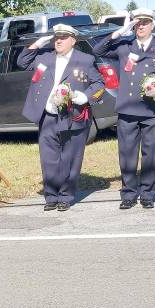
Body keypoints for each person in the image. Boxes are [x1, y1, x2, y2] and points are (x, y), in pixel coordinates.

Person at [17, 24, 105, 211]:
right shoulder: (45, 57)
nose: (59, 40)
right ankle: (51, 196)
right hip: (48, 116)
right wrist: (36, 44)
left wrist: (86, 97)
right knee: (49, 158)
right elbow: (22, 62)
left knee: (70, 157)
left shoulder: (85, 60)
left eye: (64, 37)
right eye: (57, 37)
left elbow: (99, 84)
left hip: (73, 116)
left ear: (73, 40)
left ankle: (65, 196)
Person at [93, 8, 155, 209]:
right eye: (137, 23)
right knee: (127, 153)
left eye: (145, 23)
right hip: (128, 110)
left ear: (152, 25)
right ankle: (128, 193)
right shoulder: (124, 46)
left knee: (151, 154)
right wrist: (120, 31)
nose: (141, 26)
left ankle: (147, 192)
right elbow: (97, 51)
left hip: (152, 111)